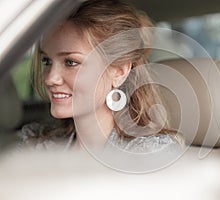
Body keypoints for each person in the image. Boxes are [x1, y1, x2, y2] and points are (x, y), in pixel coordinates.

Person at [20, 0, 183, 154]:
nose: (50, 78)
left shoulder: (149, 154)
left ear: (119, 72)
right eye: (47, 61)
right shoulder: (38, 145)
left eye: (70, 62)